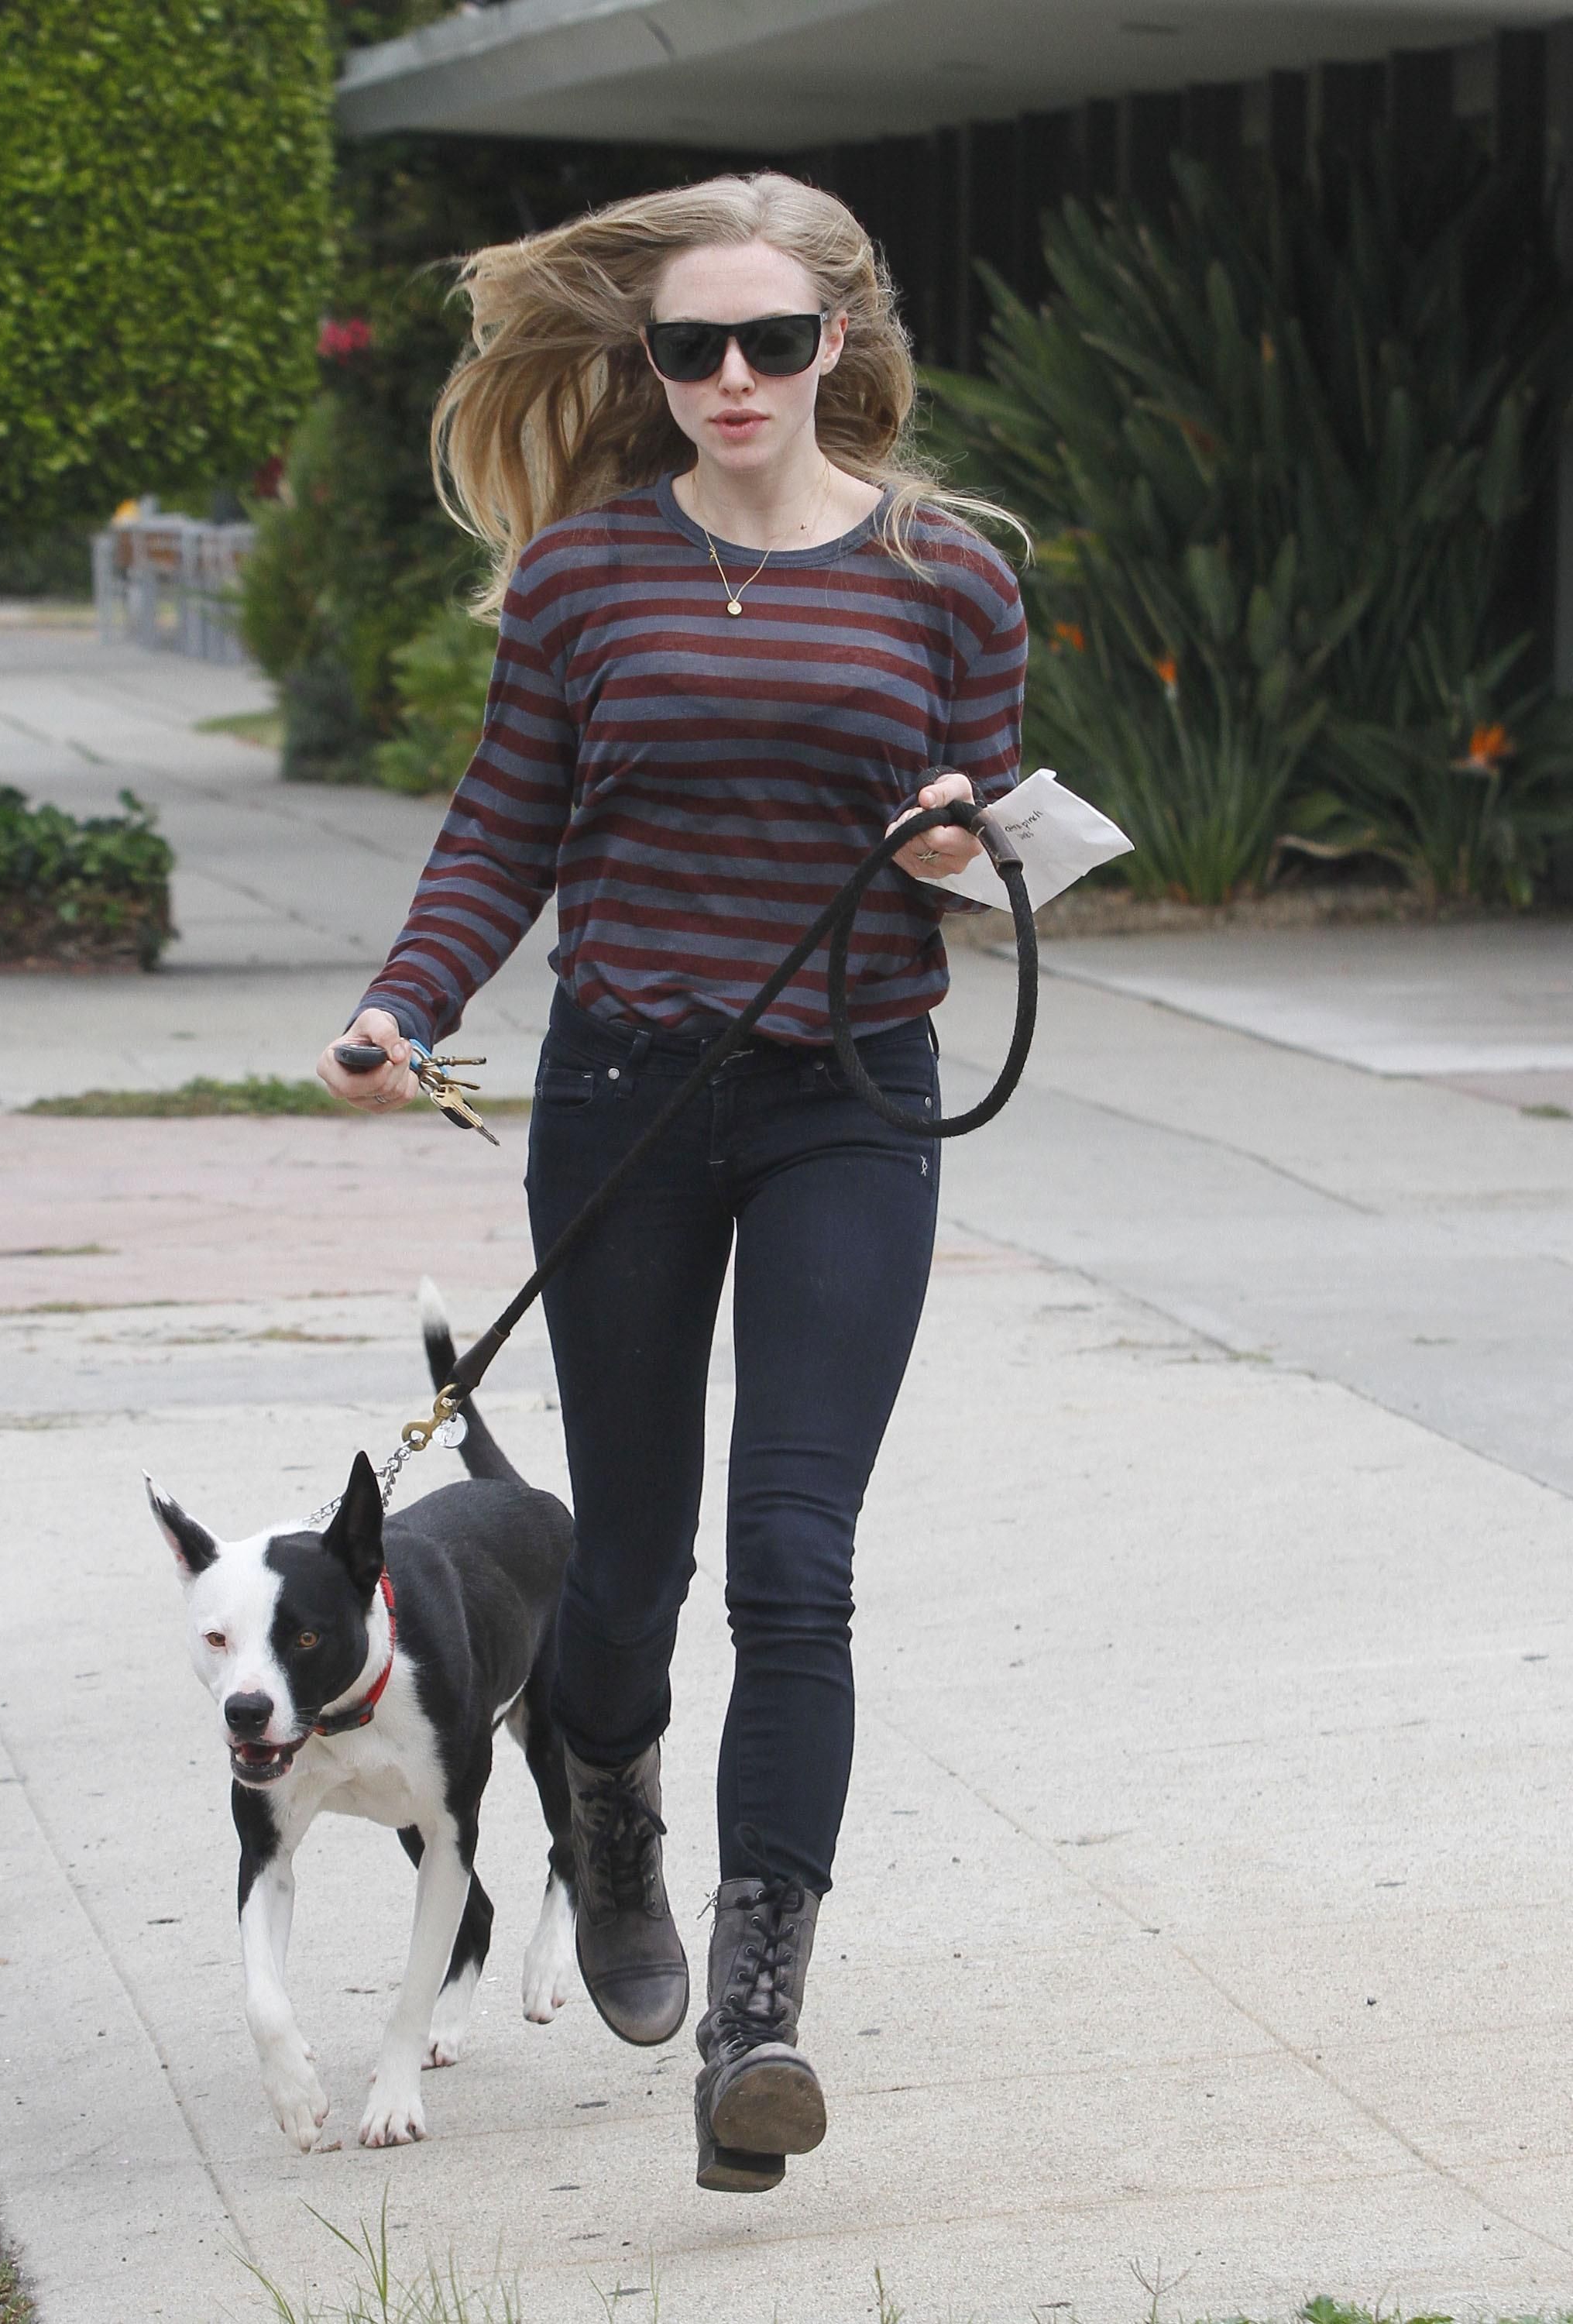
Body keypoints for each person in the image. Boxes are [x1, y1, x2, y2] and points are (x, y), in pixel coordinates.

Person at [317, 171, 1026, 2194]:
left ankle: (757, 2013)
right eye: (692, 345)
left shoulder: (950, 580)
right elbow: (502, 828)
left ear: (834, 350)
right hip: (625, 1098)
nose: (732, 376)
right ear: (651, 362)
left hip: (850, 1106)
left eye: (771, 342)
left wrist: (959, 851)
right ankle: (608, 1825)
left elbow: (996, 852)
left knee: (798, 1555)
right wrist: (401, 1004)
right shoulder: (585, 576)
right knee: (625, 1567)